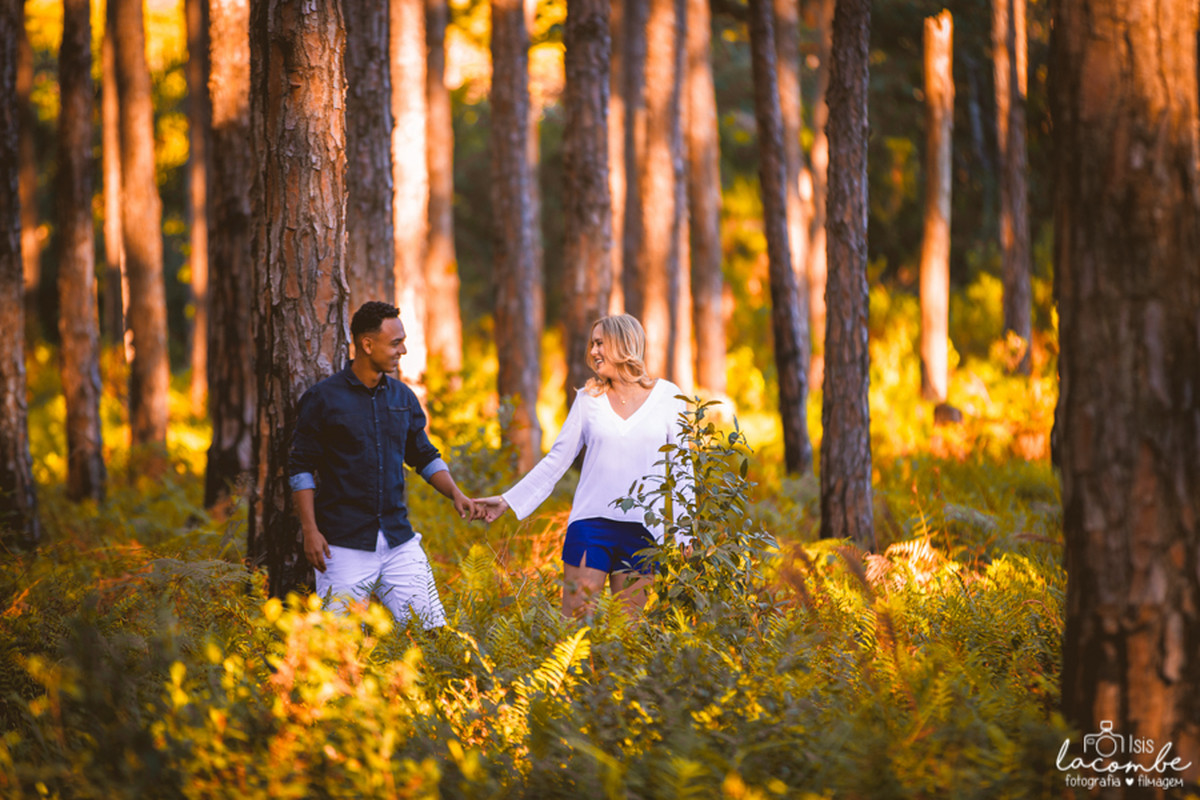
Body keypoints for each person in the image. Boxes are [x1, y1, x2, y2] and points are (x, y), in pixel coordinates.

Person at [477, 314, 689, 617]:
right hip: (591, 525)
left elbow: (682, 468)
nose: (592, 352)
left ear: (623, 343)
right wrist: (506, 501)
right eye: (592, 344)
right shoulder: (590, 399)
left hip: (644, 531)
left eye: (600, 343)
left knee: (628, 637)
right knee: (575, 627)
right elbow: (556, 461)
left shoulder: (669, 397)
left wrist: (685, 532)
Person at [288, 301, 475, 629]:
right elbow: (300, 468)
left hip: (398, 540)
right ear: (367, 344)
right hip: (342, 546)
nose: (403, 350)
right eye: (395, 343)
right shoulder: (323, 400)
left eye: (402, 341)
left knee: (432, 633)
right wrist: (310, 530)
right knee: (339, 645)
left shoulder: (403, 398)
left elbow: (424, 457)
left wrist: (456, 494)